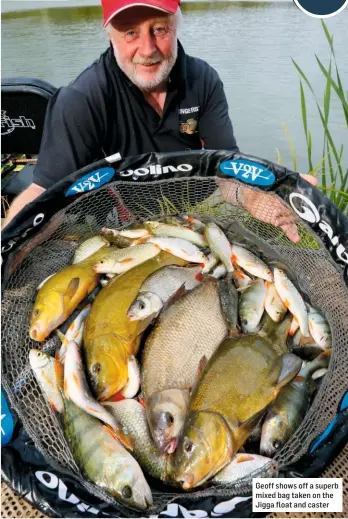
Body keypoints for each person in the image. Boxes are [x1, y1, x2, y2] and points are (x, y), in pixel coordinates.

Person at [2, 0, 316, 239]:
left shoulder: (203, 80)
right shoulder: (82, 98)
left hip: (199, 210)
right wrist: (10, 241)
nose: (147, 49)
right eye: (130, 33)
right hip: (123, 219)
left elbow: (227, 172)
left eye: (159, 29)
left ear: (176, 26)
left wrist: (256, 194)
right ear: (110, 35)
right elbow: (43, 192)